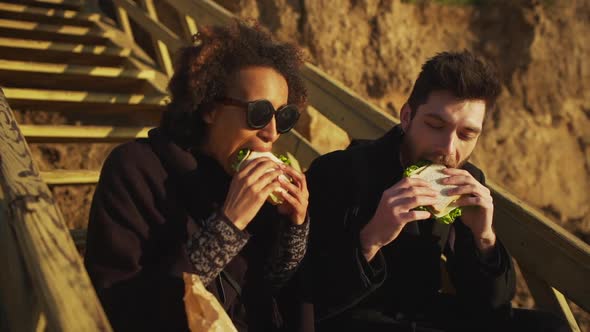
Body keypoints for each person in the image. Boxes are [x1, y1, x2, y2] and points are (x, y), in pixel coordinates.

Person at [305, 51, 567, 331]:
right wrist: (370, 239)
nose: (449, 148)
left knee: (549, 327)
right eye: (435, 125)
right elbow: (308, 302)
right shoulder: (337, 172)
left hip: (423, 314)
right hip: (353, 320)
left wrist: (484, 239)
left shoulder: (468, 180)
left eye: (466, 135)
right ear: (407, 116)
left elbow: (491, 309)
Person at [84, 21, 310, 332]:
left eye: (283, 117)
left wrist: (293, 231)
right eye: (258, 113)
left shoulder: (259, 190)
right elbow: (123, 306)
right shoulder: (134, 169)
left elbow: (270, 291)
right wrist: (228, 224)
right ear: (209, 108)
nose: (271, 132)